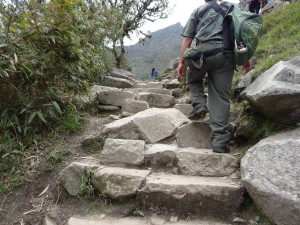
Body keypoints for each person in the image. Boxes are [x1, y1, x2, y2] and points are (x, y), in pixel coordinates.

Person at [176, 0, 235, 154]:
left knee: (194, 77)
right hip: (226, 55)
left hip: (203, 54)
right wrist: (246, 58)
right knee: (221, 97)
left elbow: (188, 39)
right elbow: (241, 34)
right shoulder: (232, 8)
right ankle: (220, 143)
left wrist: (181, 62)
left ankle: (199, 103)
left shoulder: (199, 10)